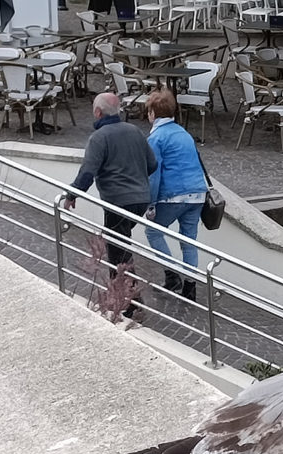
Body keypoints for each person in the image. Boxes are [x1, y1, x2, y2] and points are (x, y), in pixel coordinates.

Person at [65, 92, 157, 318]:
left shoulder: (99, 138)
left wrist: (71, 195)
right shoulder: (134, 131)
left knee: (118, 252)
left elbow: (88, 172)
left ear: (98, 112)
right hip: (140, 199)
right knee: (121, 246)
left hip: (118, 200)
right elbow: (152, 164)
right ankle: (127, 299)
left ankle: (130, 302)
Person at [143, 88, 207, 301]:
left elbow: (154, 174)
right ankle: (190, 287)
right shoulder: (184, 133)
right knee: (189, 239)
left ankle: (172, 277)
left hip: (173, 195)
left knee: (153, 232)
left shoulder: (156, 137)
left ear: (153, 113)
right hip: (197, 193)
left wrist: (150, 204)